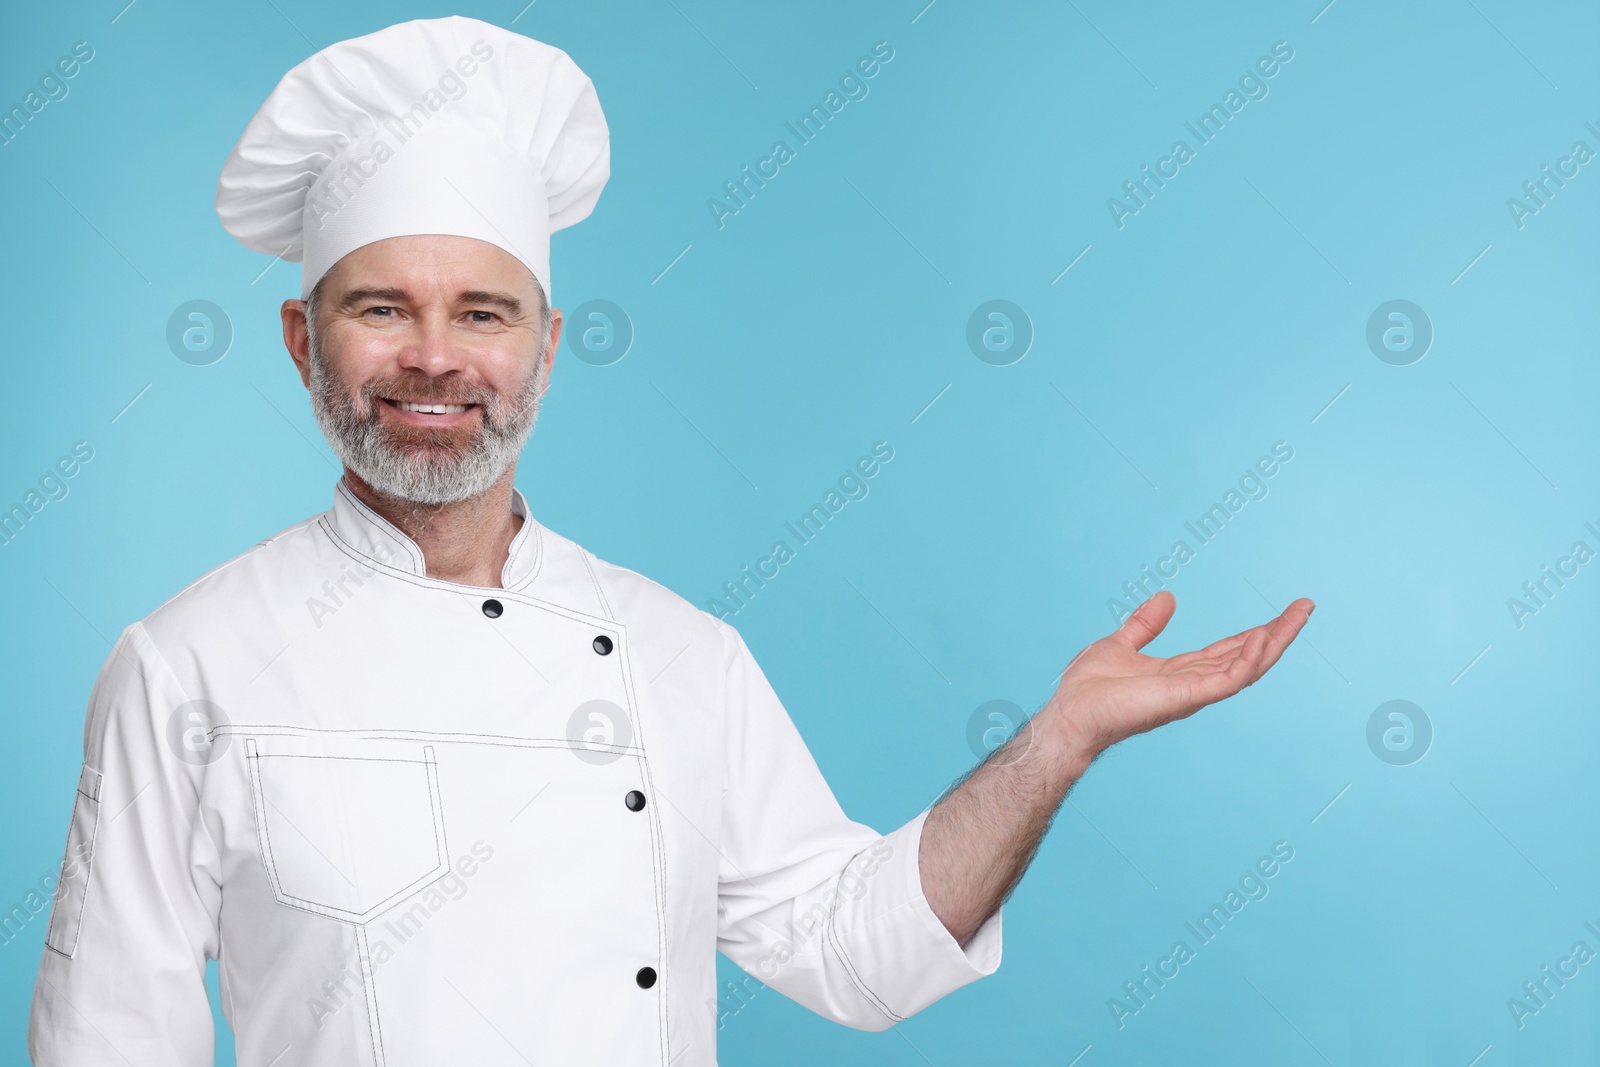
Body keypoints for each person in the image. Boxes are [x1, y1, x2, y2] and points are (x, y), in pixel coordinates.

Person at [27, 16, 1313, 1066]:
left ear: (544, 345)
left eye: (482, 311)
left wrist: (1055, 743)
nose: (435, 356)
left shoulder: (675, 651)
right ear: (305, 339)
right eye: (382, 307)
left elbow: (853, 951)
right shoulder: (185, 664)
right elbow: (107, 1042)